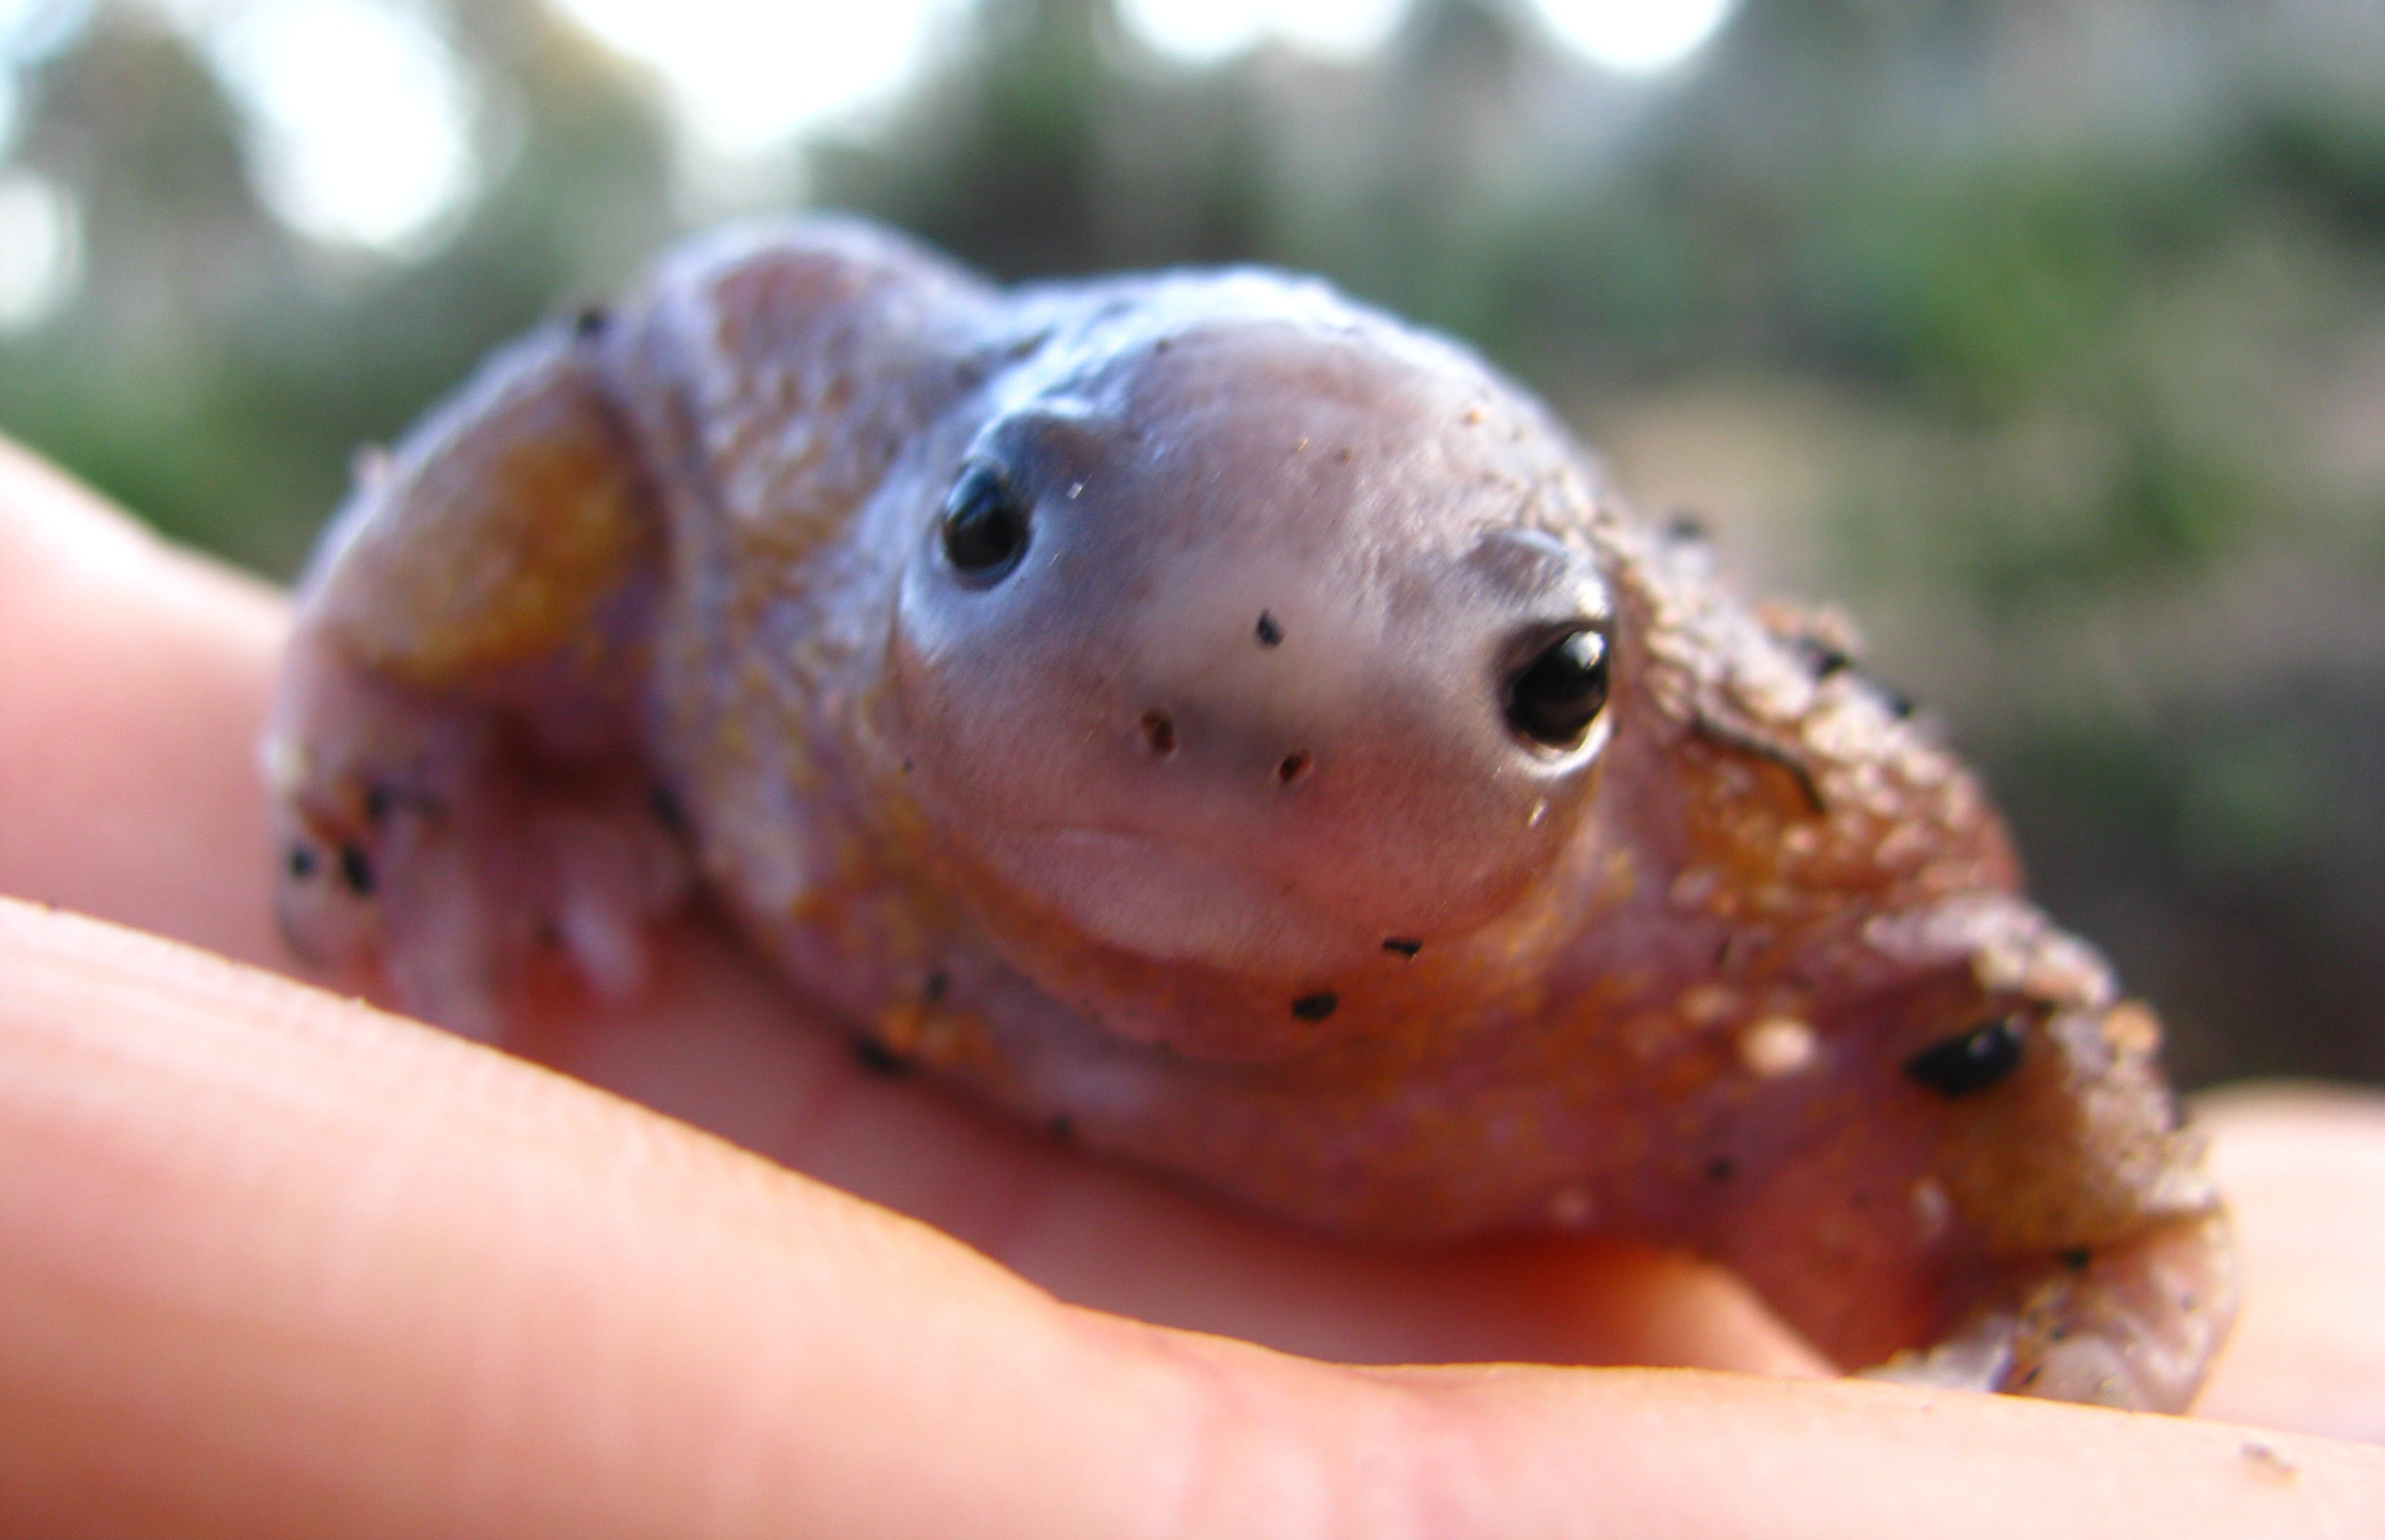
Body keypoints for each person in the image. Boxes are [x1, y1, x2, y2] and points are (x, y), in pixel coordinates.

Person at [0, 435, 2378, 1536]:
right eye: (1001, 536)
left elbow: (1968, 961)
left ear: (1618, 713)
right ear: (927, 515)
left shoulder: (1729, 837)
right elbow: (636, 372)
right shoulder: (803, 427)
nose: (1225, 753)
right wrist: (400, 717)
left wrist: (2104, 1260)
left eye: (1549, 687)